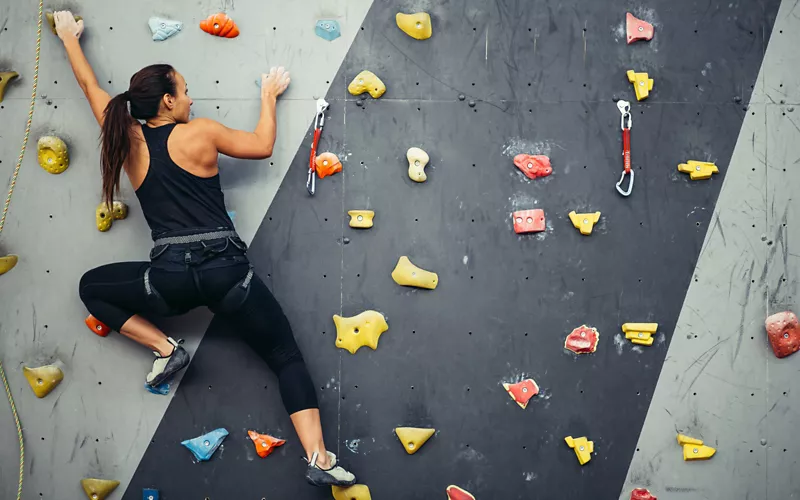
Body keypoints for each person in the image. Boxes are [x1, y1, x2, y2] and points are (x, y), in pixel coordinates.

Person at [52, 11, 355, 487]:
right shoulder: (202, 132)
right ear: (168, 100)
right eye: (186, 90)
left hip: (170, 280)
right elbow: (261, 144)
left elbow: (89, 85)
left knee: (92, 286)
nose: (192, 98)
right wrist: (268, 97)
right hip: (228, 275)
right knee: (285, 356)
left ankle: (163, 347)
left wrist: (68, 37)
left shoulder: (126, 138)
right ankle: (318, 458)